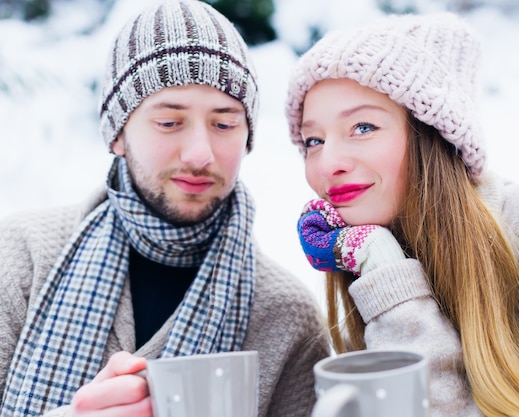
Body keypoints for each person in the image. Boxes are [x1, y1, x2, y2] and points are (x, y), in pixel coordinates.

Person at [285, 12, 519, 417]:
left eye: (362, 127)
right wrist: (386, 277)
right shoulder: (366, 265)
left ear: (432, 135)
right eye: (313, 140)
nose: (328, 164)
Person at [0, 1, 329, 416]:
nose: (199, 154)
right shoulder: (22, 259)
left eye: (224, 124)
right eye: (169, 122)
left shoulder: (285, 317)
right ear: (118, 134)